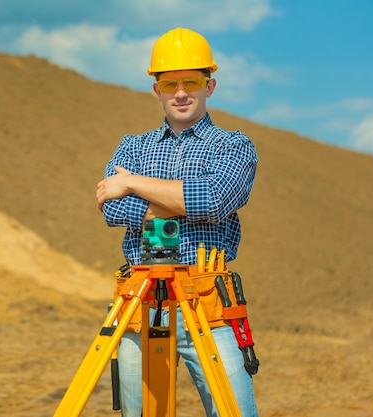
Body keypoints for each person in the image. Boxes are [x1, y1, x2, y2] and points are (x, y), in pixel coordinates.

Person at [95, 27, 259, 417]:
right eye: (170, 83)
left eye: (192, 82)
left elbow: (215, 199)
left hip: (208, 305)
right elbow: (110, 207)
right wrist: (179, 202)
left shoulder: (234, 146)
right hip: (144, 303)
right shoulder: (132, 146)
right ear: (157, 90)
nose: (181, 93)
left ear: (210, 85)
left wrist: (132, 184)